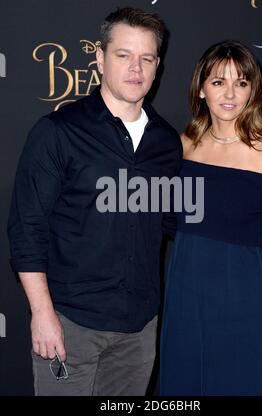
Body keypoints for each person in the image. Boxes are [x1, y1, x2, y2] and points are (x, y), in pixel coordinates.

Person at [7, 7, 182, 396]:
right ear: (100, 59)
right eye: (123, 55)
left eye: (147, 58)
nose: (136, 68)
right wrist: (42, 314)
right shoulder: (58, 132)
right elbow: (27, 228)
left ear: (157, 66)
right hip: (70, 324)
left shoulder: (167, 143)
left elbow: (173, 223)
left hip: (139, 329)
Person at [160, 40, 262, 396]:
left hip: (241, 292)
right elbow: (167, 217)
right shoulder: (184, 144)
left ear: (253, 90)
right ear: (201, 88)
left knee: (237, 382)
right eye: (218, 81)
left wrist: (260, 261)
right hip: (185, 287)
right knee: (183, 383)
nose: (230, 93)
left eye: (241, 82)